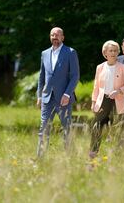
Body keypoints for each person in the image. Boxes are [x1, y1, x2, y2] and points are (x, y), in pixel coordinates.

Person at [36, 27, 80, 157]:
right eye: (52, 35)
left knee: (67, 128)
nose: (55, 37)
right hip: (47, 98)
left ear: (63, 37)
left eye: (57, 35)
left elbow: (75, 76)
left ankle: (69, 158)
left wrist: (67, 94)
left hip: (63, 98)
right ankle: (40, 158)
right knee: (44, 128)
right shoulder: (44, 53)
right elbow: (41, 76)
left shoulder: (70, 52)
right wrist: (39, 96)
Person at [90, 40, 124, 158]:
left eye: (115, 51)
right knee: (96, 127)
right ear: (105, 53)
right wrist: (93, 102)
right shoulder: (100, 67)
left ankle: (119, 155)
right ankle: (93, 154)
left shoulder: (123, 68)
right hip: (102, 101)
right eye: (110, 51)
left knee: (119, 129)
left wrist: (118, 91)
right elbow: (96, 87)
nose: (113, 53)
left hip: (118, 101)